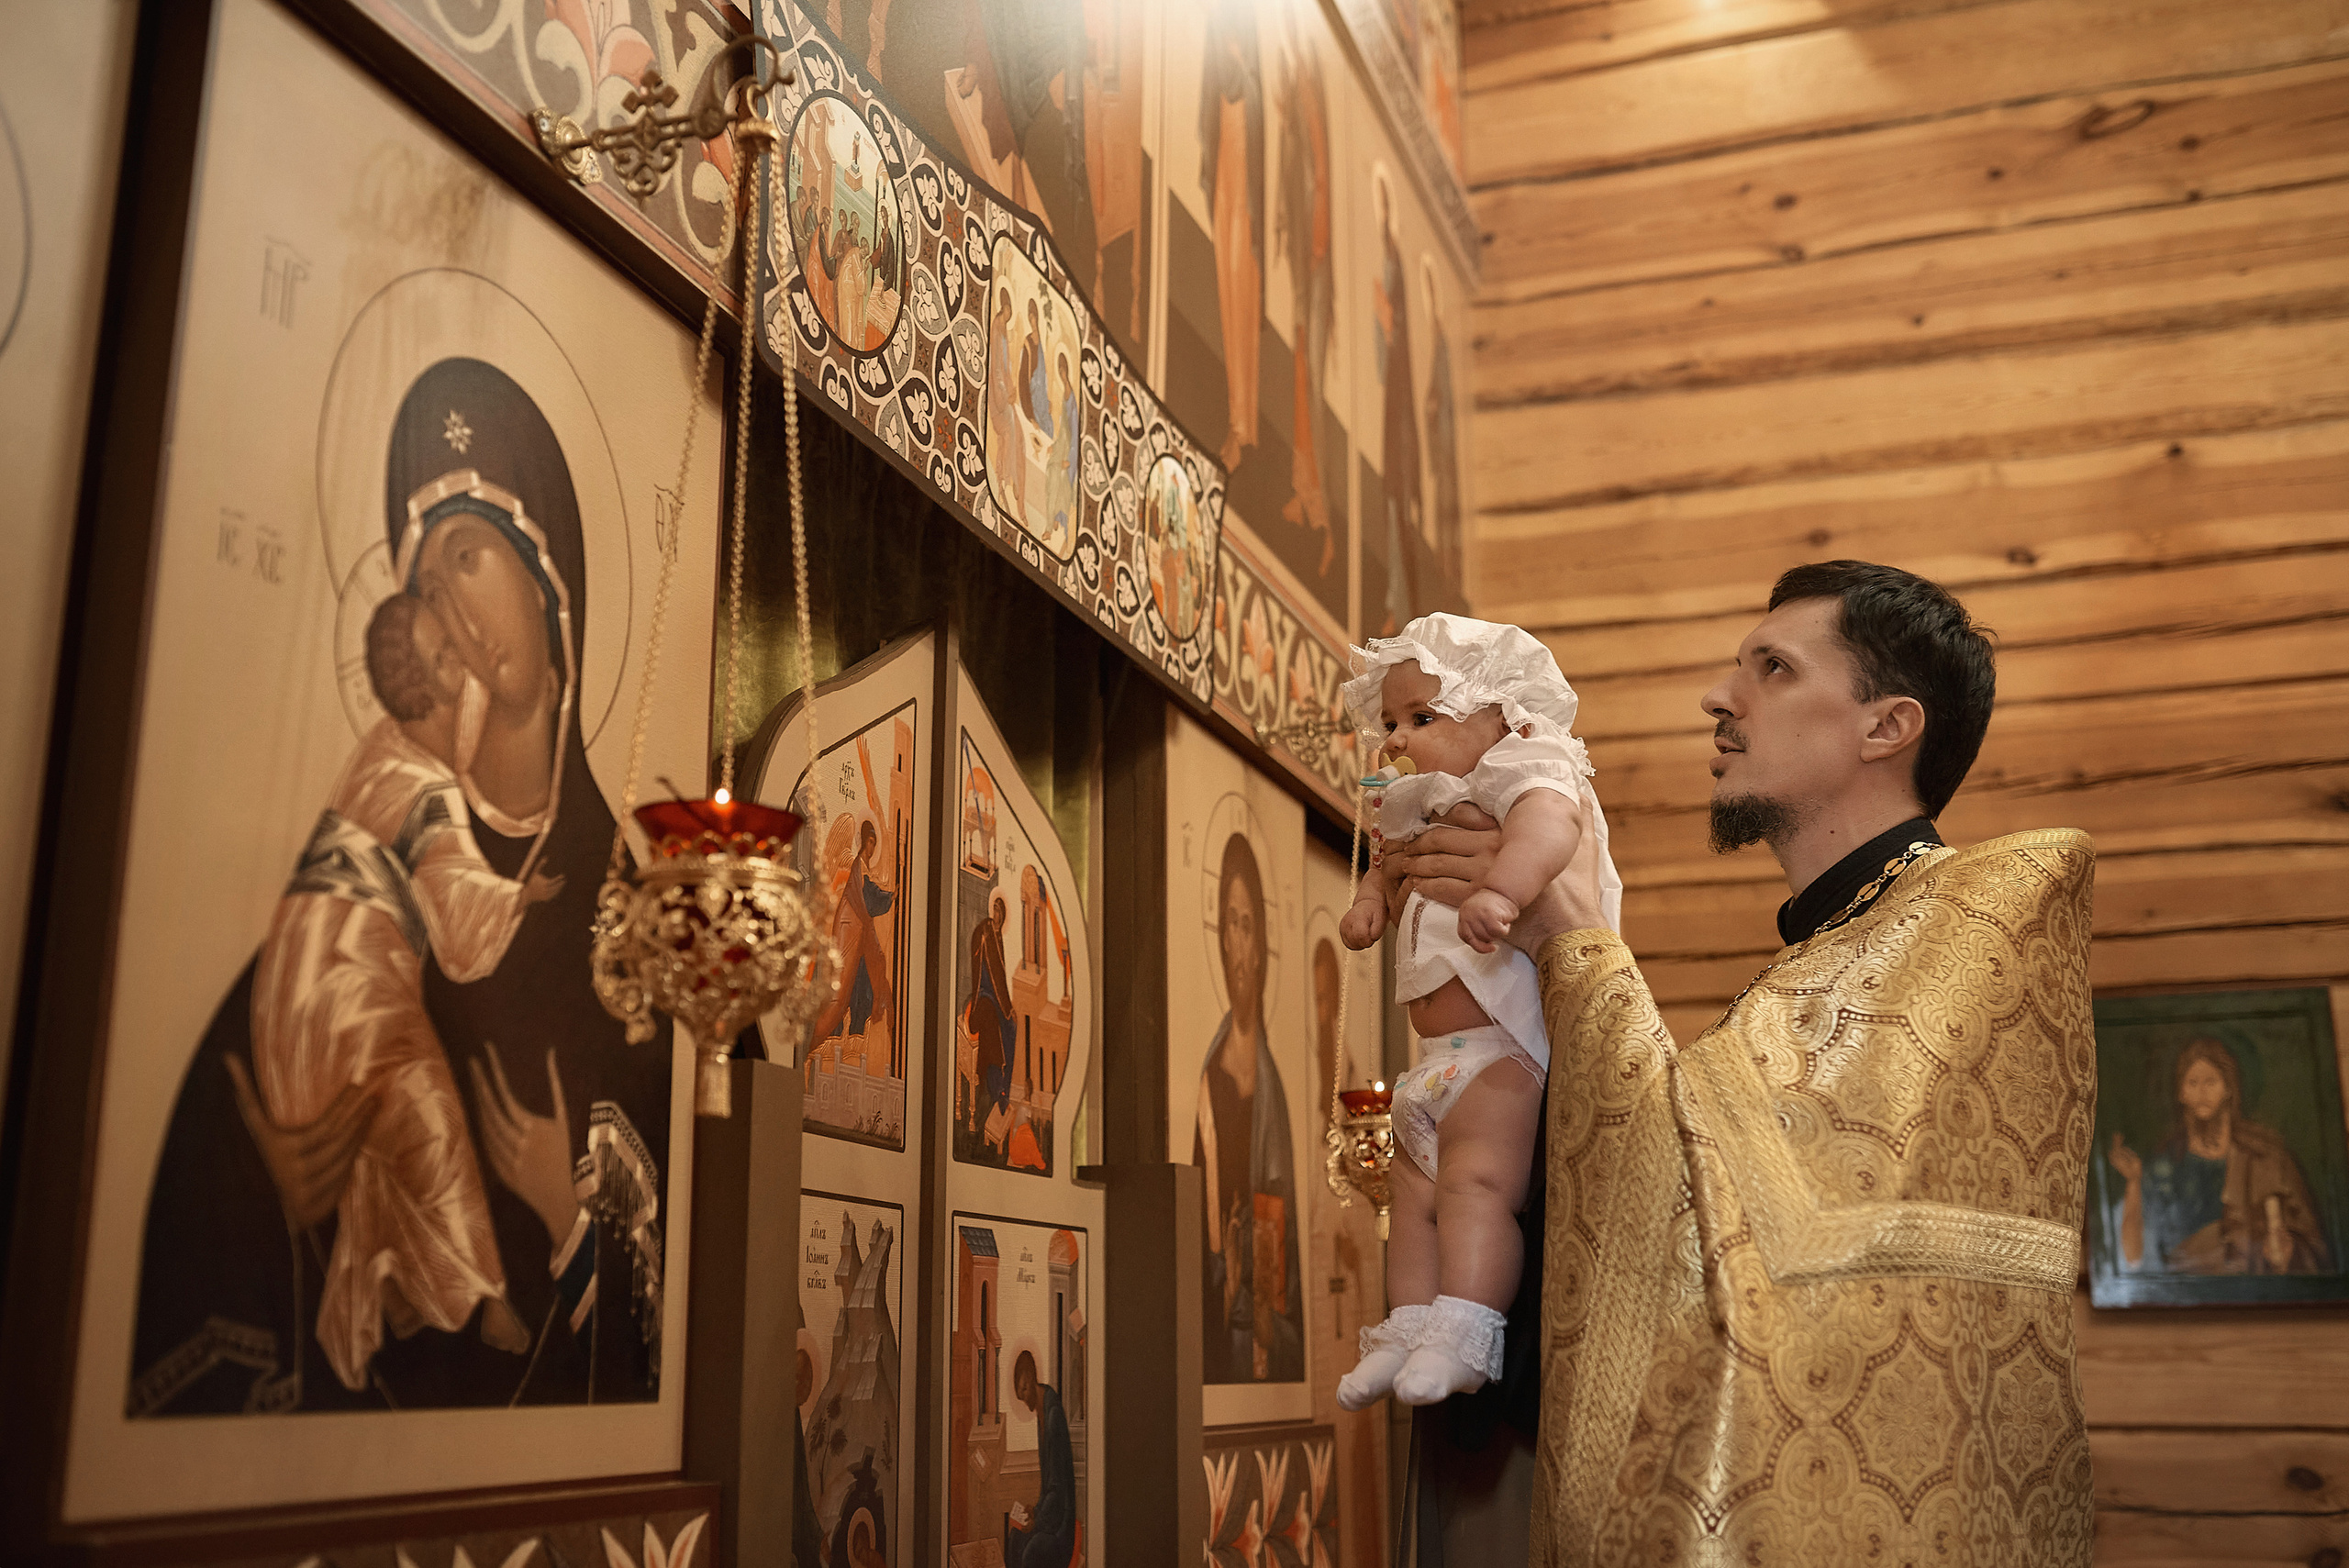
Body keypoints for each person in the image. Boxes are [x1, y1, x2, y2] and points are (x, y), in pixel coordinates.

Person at [1383, 561, 2097, 1563]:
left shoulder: (1973, 922)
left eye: (1771, 667)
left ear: (1885, 726)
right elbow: (1706, 1211)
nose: (1720, 698)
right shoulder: (1815, 960)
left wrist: (1573, 937)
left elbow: (1774, 1255)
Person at [249, 592, 564, 1390]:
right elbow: (458, 910)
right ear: (420, 680)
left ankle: (399, 1286)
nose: (463, 667)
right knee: (426, 1103)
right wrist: (516, 899)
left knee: (391, 1125)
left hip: (307, 973)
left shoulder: (390, 750)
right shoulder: (419, 780)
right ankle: (487, 1297)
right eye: (445, 657)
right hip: (345, 973)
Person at [1332, 615, 1621, 1410]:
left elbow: (1548, 826)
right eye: (1391, 722)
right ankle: (1407, 1327)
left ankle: (1466, 1327)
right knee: (1414, 1194)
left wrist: (1502, 889)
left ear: (1502, 713)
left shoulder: (1527, 766)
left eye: (1422, 719)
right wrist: (1367, 907)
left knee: (1475, 1187)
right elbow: (1387, 867)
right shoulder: (1415, 802)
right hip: (1431, 1062)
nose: (1397, 739)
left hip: (1503, 1051)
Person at [1193, 834, 1306, 1385]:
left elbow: (1277, 1229)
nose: (1239, 944)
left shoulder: (1273, 1090)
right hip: (1218, 1323)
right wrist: (1224, 1276)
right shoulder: (1206, 1078)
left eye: (1248, 924)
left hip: (1257, 1329)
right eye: (1229, 923)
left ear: (1261, 943)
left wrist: (1256, 1299)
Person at [2110, 1036, 2332, 1274]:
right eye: (2192, 1083)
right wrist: (2134, 1182)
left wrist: (2287, 1251)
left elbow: (2314, 1248)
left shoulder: (2266, 1159)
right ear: (2181, 1092)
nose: (2201, 1092)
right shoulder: (2165, 1165)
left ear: (2228, 1089)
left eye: (2210, 1082)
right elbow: (2133, 1257)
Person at [1005, 1351, 1075, 1568]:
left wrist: (1038, 1518)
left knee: (1031, 1553)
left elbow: (1058, 1488)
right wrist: (1033, 1511)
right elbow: (1047, 1488)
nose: (1024, 1399)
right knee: (1015, 1538)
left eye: (1024, 1390)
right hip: (1048, 1517)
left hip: (1060, 1527)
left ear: (1030, 1378)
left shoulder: (1053, 1415)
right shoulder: (1042, 1413)